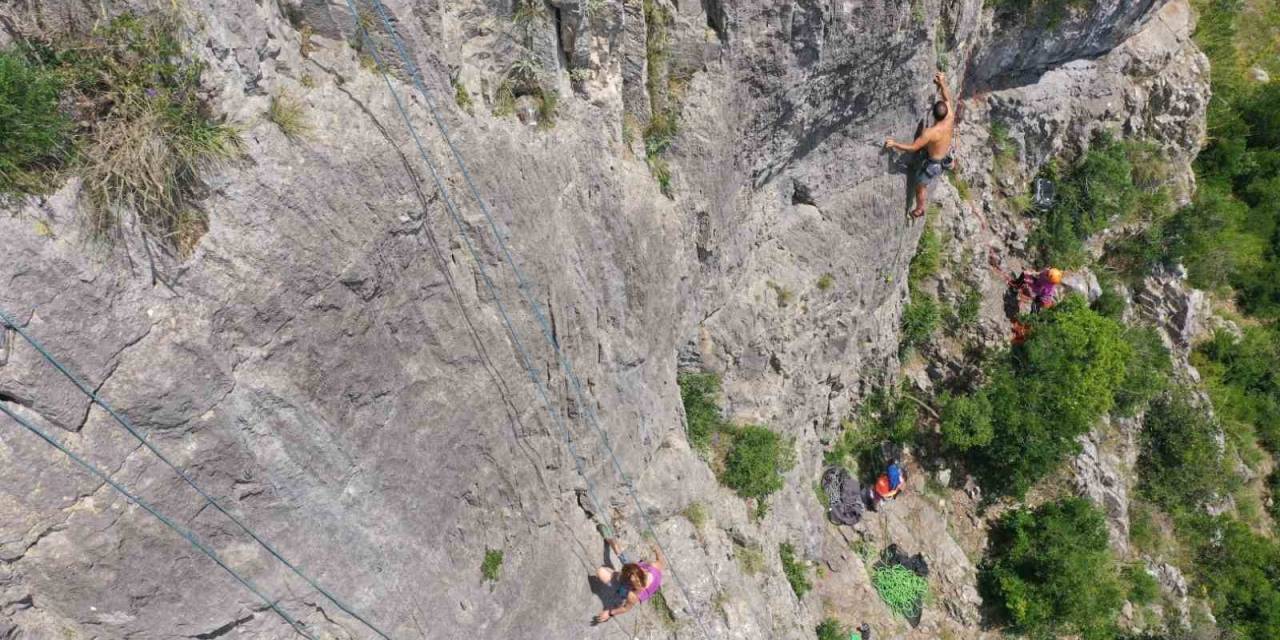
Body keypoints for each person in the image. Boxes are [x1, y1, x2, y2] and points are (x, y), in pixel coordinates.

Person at [885, 71, 955, 218]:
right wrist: (942, 82)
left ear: (934, 116)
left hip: (933, 163)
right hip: (942, 156)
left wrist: (895, 144)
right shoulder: (950, 115)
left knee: (920, 187)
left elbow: (913, 147)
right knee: (922, 181)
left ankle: (920, 208)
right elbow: (947, 97)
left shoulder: (931, 133)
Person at [594, 538, 665, 623]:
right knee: (619, 553)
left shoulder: (632, 596)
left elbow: (625, 608)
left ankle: (619, 587)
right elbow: (661, 560)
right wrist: (656, 548)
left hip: (629, 589)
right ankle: (611, 541)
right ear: (641, 569)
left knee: (601, 572)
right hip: (642, 579)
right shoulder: (653, 567)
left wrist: (609, 613)